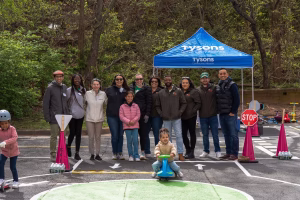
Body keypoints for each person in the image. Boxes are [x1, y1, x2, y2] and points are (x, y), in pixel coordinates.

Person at [156, 75, 187, 161]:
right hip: (166, 119)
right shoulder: (161, 92)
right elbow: (157, 105)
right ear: (164, 81)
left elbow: (184, 103)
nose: (168, 81)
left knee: (179, 136)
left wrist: (180, 112)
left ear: (171, 80)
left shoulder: (178, 91)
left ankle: (180, 153)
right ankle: (170, 155)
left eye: (169, 79)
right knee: (167, 137)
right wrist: (161, 114)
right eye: (166, 80)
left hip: (176, 118)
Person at [43, 70, 69, 161]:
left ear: (63, 77)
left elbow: (66, 102)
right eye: (57, 77)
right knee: (54, 136)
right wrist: (47, 116)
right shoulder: (50, 88)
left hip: (64, 117)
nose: (59, 78)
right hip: (54, 117)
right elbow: (46, 103)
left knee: (63, 135)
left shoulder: (64, 87)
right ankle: (53, 154)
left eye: (60, 77)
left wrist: (67, 113)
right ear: (54, 78)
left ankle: (62, 152)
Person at [216, 69, 240, 160]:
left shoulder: (232, 85)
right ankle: (228, 152)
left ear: (227, 74)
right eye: (221, 74)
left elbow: (236, 99)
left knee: (233, 134)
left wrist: (233, 112)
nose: (222, 75)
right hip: (222, 114)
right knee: (226, 134)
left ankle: (234, 153)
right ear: (218, 75)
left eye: (224, 73)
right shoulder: (218, 85)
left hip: (230, 114)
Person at [197, 72, 221, 158]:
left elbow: (219, 99)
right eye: (203, 78)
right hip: (202, 116)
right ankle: (206, 150)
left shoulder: (214, 88)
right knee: (205, 135)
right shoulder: (198, 90)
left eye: (206, 78)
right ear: (200, 80)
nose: (204, 79)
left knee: (215, 134)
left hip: (213, 115)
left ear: (209, 79)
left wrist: (218, 110)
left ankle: (217, 150)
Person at [106, 74, 130, 160]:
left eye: (121, 79)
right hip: (112, 116)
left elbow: (130, 101)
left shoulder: (126, 90)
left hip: (123, 117)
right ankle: (114, 152)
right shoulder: (109, 90)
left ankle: (120, 152)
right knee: (114, 135)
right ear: (115, 80)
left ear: (123, 80)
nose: (119, 81)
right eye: (117, 79)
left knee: (120, 135)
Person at [130, 74, 152, 160]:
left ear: (143, 79)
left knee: (143, 135)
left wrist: (147, 114)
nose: (139, 80)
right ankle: (134, 153)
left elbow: (149, 102)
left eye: (140, 79)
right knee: (134, 136)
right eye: (137, 79)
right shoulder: (131, 88)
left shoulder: (147, 89)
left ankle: (143, 152)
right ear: (135, 80)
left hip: (143, 115)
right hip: (133, 115)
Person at [85, 78, 107, 161]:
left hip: (99, 119)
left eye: (97, 84)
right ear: (91, 85)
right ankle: (92, 154)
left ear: (100, 85)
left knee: (98, 137)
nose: (96, 86)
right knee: (91, 137)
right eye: (94, 84)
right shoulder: (87, 93)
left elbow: (106, 103)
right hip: (89, 119)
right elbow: (84, 103)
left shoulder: (103, 94)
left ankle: (97, 154)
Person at [180, 77, 201, 159]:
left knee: (192, 133)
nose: (184, 84)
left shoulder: (194, 92)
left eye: (186, 83)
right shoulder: (179, 91)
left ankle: (192, 151)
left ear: (189, 84)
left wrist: (193, 111)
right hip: (182, 116)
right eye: (183, 83)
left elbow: (198, 103)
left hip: (191, 116)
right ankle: (187, 150)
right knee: (183, 134)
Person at [66, 74, 86, 160]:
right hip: (72, 115)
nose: (77, 80)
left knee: (78, 133)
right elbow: (66, 102)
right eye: (75, 79)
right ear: (73, 80)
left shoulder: (83, 90)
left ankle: (77, 153)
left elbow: (85, 102)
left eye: (79, 79)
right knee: (72, 132)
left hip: (80, 115)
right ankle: (69, 146)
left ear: (81, 80)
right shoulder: (69, 90)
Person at [0, 110, 20, 189]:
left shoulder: (12, 129)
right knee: (0, 163)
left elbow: (14, 138)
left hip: (13, 152)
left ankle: (16, 181)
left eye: (6, 123)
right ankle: (1, 179)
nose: (4, 125)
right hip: (4, 152)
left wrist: (5, 142)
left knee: (12, 167)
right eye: (2, 124)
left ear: (9, 122)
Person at [119, 91, 141, 161]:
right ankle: (130, 155)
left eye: (131, 96)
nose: (130, 98)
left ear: (133, 97)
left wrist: (133, 121)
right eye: (128, 96)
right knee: (129, 141)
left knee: (135, 140)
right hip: (127, 126)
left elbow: (138, 115)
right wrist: (128, 121)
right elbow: (121, 116)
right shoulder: (122, 106)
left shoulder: (136, 106)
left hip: (135, 126)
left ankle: (136, 155)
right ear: (125, 97)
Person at [148, 77, 164, 147]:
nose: (154, 83)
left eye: (156, 81)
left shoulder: (161, 91)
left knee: (156, 134)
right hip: (147, 115)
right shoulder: (147, 90)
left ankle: (157, 150)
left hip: (157, 116)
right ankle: (146, 152)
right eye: (152, 81)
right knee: (145, 134)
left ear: (158, 83)